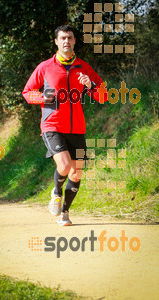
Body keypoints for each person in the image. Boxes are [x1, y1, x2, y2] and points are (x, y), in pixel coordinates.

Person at [22, 25, 107, 226]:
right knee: (65, 165)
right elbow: (27, 92)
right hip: (52, 125)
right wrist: (43, 97)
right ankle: (56, 192)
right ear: (56, 42)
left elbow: (103, 96)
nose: (66, 41)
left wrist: (91, 86)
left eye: (70, 38)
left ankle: (65, 213)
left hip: (77, 127)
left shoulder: (84, 67)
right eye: (62, 38)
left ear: (75, 41)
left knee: (76, 172)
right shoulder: (45, 67)